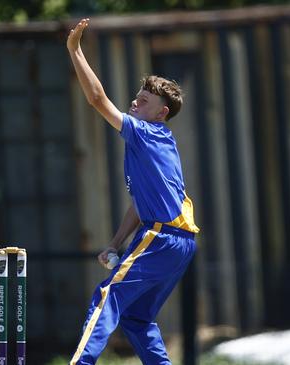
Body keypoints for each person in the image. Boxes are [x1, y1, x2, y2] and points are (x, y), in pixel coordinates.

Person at [66, 18, 200, 365]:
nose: (135, 104)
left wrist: (75, 51)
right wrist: (115, 243)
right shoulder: (157, 142)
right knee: (136, 318)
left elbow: (97, 99)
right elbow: (140, 205)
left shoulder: (145, 132)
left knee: (106, 297)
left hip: (161, 236)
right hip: (179, 243)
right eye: (136, 98)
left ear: (162, 112)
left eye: (143, 100)